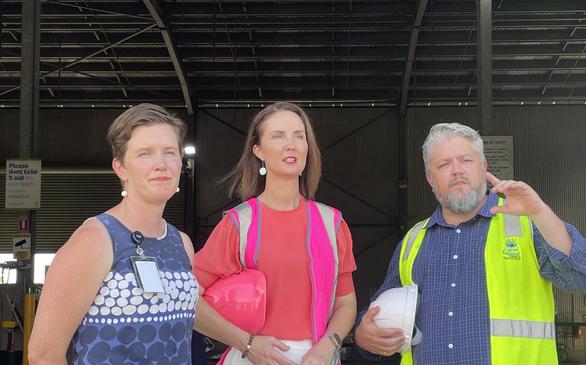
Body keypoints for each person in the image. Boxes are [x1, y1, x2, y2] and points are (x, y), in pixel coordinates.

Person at [354, 122, 586, 365]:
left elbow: (585, 275)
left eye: (466, 160)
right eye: (444, 164)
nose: (457, 170)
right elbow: (377, 314)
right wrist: (363, 334)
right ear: (430, 178)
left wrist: (539, 211)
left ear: (483, 167)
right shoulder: (412, 241)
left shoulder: (527, 226)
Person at [29, 104, 198, 364]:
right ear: (120, 168)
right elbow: (43, 354)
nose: (161, 164)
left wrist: (246, 340)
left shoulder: (181, 243)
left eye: (169, 152)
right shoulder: (96, 240)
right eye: (145, 154)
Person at [193, 102, 357, 365]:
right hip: (251, 358)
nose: (291, 144)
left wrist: (327, 347)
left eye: (299, 135)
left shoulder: (332, 223)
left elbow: (346, 304)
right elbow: (188, 300)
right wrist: (247, 344)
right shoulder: (238, 224)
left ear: (307, 148)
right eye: (278, 136)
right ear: (258, 150)